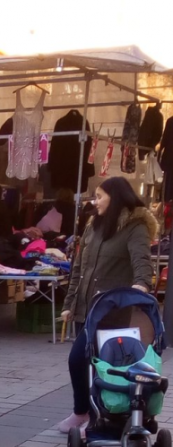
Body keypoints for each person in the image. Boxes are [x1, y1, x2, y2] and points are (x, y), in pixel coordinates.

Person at [57, 176, 156, 433]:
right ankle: (87, 413)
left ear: (116, 197)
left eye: (100, 196)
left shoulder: (136, 226)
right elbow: (78, 267)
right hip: (84, 308)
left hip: (111, 311)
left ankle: (89, 413)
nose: (95, 201)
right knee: (86, 362)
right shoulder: (93, 226)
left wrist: (142, 284)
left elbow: (141, 260)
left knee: (84, 361)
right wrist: (69, 302)